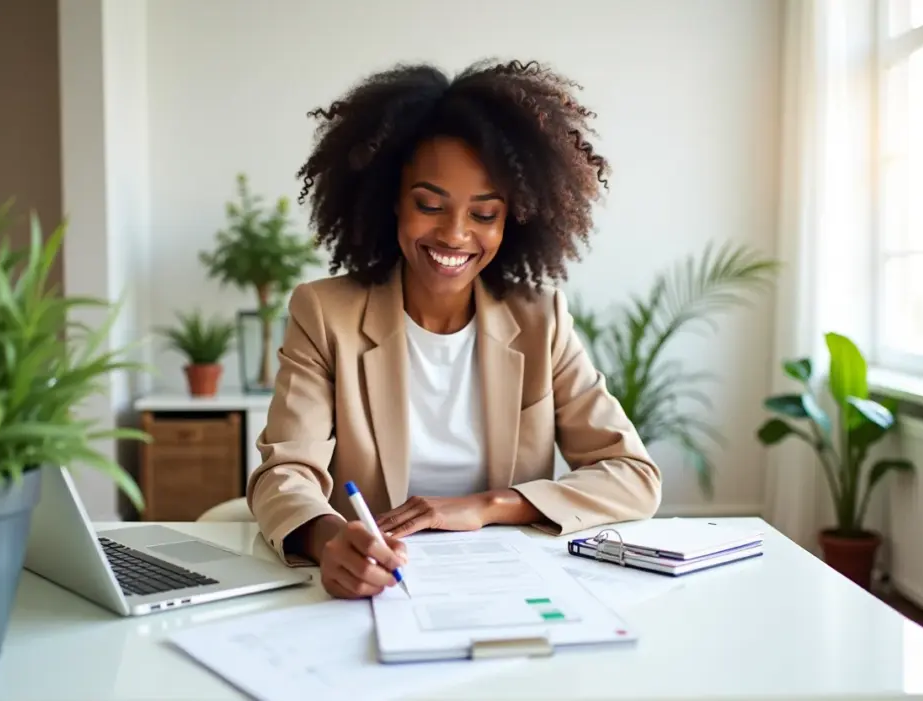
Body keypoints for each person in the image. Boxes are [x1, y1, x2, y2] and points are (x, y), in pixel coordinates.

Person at [247, 58, 662, 600]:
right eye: (429, 205)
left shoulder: (541, 321)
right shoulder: (325, 314)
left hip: (504, 587)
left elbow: (632, 475)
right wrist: (332, 541)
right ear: (391, 199)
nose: (455, 235)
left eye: (484, 214)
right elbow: (283, 474)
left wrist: (488, 505)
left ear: (513, 218)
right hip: (380, 588)